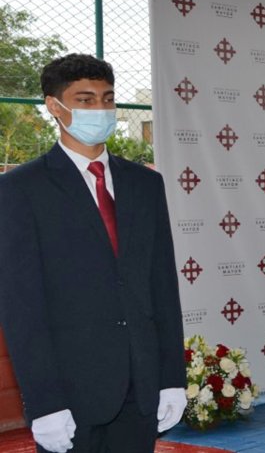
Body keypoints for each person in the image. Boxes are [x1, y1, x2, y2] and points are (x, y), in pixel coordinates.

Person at [0, 54, 186, 453]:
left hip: (141, 390)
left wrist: (173, 377)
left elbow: (163, 288)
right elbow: (21, 306)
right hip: (70, 396)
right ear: (55, 106)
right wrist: (45, 402)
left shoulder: (145, 185)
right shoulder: (20, 190)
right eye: (84, 100)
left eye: (107, 98)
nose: (99, 109)